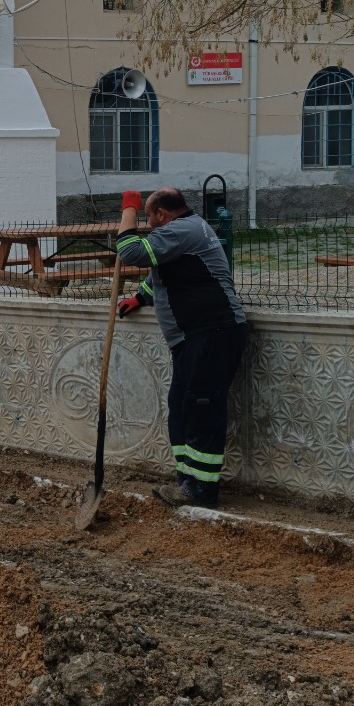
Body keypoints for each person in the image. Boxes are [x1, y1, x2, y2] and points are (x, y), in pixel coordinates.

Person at [115, 186, 247, 508]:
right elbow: (164, 272)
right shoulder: (185, 230)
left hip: (212, 332)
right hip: (194, 337)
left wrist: (128, 209)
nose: (148, 224)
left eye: (149, 217)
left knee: (201, 408)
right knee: (182, 407)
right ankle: (188, 480)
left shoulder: (183, 229)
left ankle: (202, 490)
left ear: (162, 214)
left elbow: (130, 252)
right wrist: (141, 297)